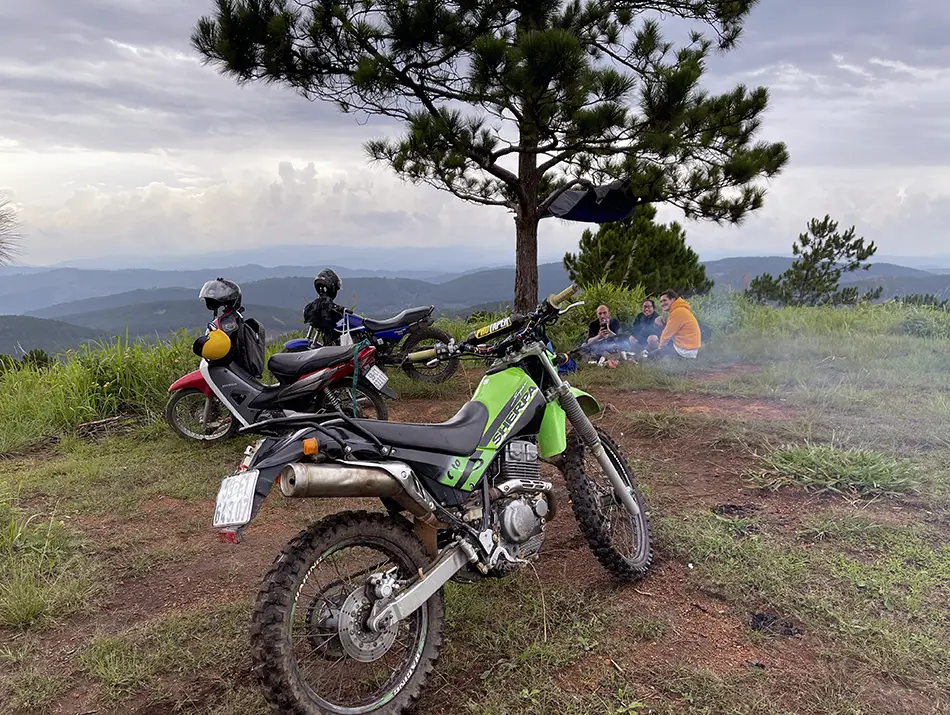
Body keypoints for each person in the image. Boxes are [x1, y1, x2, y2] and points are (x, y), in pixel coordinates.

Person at [646, 289, 701, 358]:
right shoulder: (679, 310)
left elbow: (666, 334)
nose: (662, 303)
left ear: (673, 299)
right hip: (688, 347)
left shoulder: (678, 312)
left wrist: (660, 351)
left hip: (684, 350)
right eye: (661, 302)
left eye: (665, 300)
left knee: (650, 356)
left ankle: (644, 358)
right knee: (651, 346)